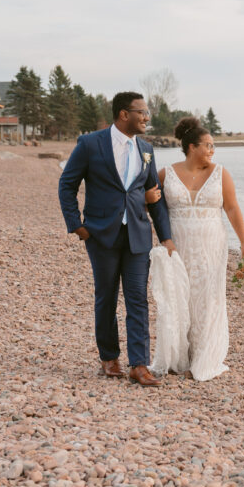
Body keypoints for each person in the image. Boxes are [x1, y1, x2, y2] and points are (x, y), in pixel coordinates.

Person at [58, 91, 176, 387]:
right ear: (125, 114)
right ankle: (109, 357)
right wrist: (77, 226)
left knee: (138, 299)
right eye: (142, 112)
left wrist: (166, 237)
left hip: (138, 235)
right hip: (101, 235)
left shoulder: (146, 148)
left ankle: (139, 365)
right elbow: (67, 185)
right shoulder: (90, 144)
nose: (147, 117)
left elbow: (155, 197)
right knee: (106, 296)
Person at [155, 117, 244, 381]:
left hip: (211, 246)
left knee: (208, 299)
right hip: (177, 246)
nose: (212, 150)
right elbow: (152, 208)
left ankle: (204, 359)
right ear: (191, 147)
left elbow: (232, 209)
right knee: (180, 297)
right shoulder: (166, 173)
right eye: (207, 145)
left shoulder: (221, 173)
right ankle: (180, 356)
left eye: (214, 146)